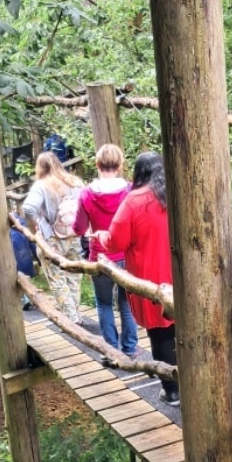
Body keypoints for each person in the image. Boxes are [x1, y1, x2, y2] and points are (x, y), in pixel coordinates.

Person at [97, 152, 177, 401]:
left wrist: (100, 236)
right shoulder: (177, 194)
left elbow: (115, 241)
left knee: (160, 332)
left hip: (152, 278)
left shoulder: (134, 201)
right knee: (183, 332)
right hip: (182, 276)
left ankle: (172, 389)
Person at [73, 143, 138, 356]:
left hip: (100, 256)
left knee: (103, 304)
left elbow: (80, 228)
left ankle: (110, 350)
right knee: (126, 303)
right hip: (126, 255)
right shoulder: (130, 191)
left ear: (97, 164)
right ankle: (129, 348)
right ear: (120, 165)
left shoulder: (86, 194)